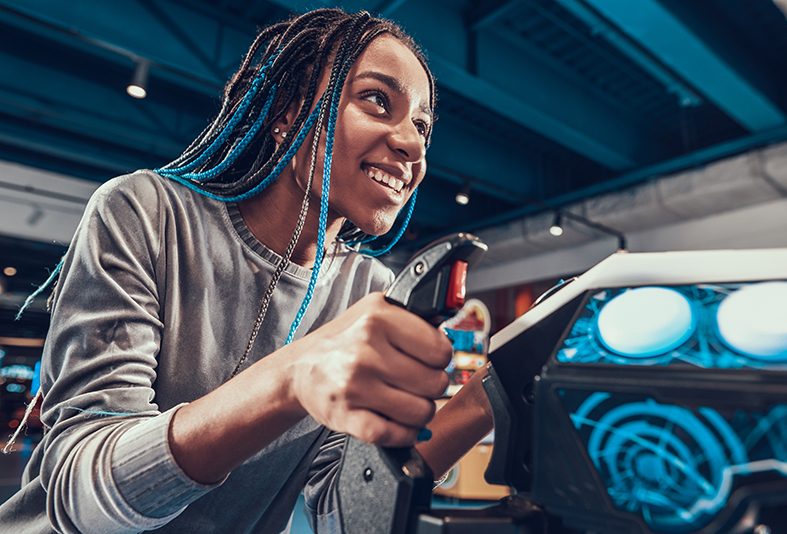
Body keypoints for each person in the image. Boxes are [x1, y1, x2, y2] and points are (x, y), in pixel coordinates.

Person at [0, 8, 494, 534]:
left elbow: (343, 508)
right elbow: (82, 495)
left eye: (422, 125)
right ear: (288, 112)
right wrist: (293, 375)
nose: (413, 144)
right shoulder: (147, 212)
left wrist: (493, 394)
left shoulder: (368, 289)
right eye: (377, 100)